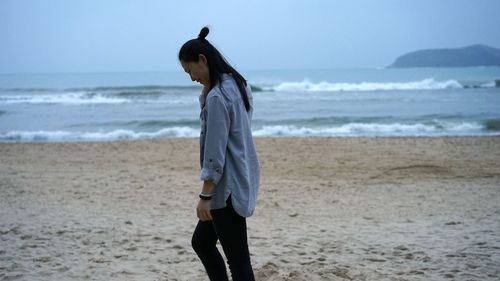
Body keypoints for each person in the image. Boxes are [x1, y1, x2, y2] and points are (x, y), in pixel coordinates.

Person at [178, 26, 260, 281]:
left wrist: (205, 195)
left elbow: (215, 151)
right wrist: (205, 92)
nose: (191, 77)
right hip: (241, 177)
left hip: (226, 191)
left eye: (190, 70)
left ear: (202, 60)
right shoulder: (236, 83)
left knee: (238, 263)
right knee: (201, 242)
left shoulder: (217, 96)